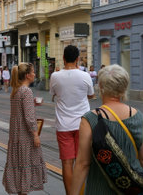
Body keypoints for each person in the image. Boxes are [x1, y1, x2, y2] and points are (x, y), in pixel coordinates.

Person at [71, 64, 143, 194]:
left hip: (98, 190)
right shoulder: (138, 117)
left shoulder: (90, 119)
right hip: (130, 190)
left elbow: (82, 163)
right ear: (124, 88)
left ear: (101, 87)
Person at [49, 45, 94, 194]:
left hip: (63, 125)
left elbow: (53, 94)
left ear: (63, 58)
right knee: (82, 163)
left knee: (67, 163)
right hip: (83, 124)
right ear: (77, 59)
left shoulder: (55, 76)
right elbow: (91, 95)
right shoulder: (85, 75)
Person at [2, 63, 47, 194]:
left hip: (16, 135)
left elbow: (21, 109)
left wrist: (32, 103)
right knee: (26, 164)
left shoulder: (16, 90)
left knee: (19, 165)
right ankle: (24, 191)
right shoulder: (26, 91)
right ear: (27, 75)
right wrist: (35, 134)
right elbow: (29, 117)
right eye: (33, 72)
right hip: (24, 136)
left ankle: (21, 190)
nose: (34, 74)